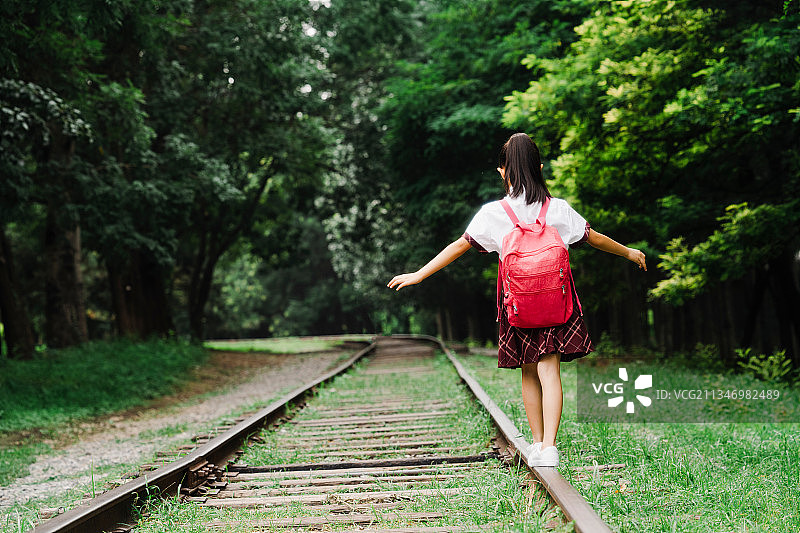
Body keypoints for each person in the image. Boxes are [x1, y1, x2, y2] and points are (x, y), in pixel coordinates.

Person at [387, 132, 646, 467]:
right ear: (539, 167)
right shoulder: (559, 210)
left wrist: (419, 274)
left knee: (528, 371)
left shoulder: (493, 213)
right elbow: (593, 237)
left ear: (502, 172)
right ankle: (550, 446)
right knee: (549, 369)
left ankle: (538, 442)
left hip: (518, 305)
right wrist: (628, 251)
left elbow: (459, 245)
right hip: (556, 303)